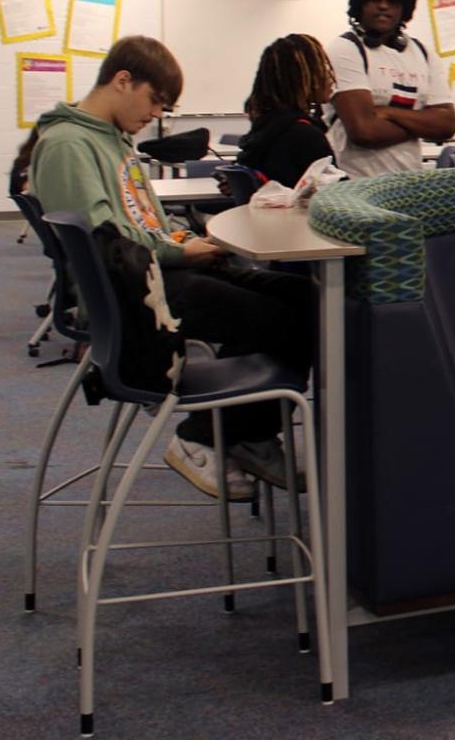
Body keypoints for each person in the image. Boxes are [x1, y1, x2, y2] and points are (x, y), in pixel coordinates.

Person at [30, 37, 315, 499]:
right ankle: (204, 436)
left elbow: (144, 222)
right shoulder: (69, 144)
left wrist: (182, 241)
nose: (156, 115)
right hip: (134, 294)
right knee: (280, 318)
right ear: (123, 81)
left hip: (158, 272)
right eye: (154, 100)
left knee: (307, 298)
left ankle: (247, 433)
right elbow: (112, 246)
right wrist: (181, 253)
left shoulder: (113, 139)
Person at [326, 0, 455, 177]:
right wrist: (420, 123)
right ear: (359, 3)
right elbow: (364, 132)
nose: (384, 5)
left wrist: (384, 113)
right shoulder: (346, 49)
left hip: (408, 184)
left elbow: (446, 125)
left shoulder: (422, 53)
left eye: (393, 0)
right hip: (356, 186)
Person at [238, 34, 336, 188]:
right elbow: (338, 194)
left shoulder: (267, 127)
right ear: (302, 77)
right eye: (323, 67)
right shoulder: (306, 136)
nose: (330, 76)